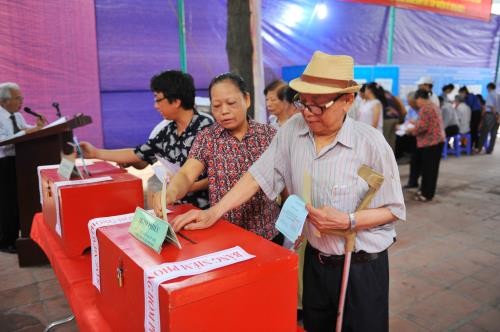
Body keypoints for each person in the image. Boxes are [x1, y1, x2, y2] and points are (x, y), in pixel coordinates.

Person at [168, 52, 406, 331]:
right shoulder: (293, 130)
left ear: (347, 100)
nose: (307, 112)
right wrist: (215, 211)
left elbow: (393, 210)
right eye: (302, 102)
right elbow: (258, 174)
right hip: (315, 262)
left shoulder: (371, 145)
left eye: (318, 105)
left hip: (360, 266)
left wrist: (348, 221)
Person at [155, 72, 282, 243]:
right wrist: (170, 193)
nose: (224, 111)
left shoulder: (269, 135)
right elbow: (186, 174)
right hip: (224, 231)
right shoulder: (208, 137)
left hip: (267, 234)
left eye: (231, 103)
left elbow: (285, 183)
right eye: (216, 105)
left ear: (247, 99)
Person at [80, 70, 213, 209]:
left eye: (158, 99)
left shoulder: (205, 127)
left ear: (176, 101)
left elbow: (219, 172)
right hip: (176, 206)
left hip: (205, 209)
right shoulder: (167, 131)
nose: (155, 106)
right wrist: (95, 153)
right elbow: (137, 153)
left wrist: (187, 187)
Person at [0, 82, 47, 253]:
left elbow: (26, 130)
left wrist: (39, 128)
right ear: (3, 101)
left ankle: (19, 236)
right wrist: (27, 132)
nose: (21, 101)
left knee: (19, 201)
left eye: (21, 97)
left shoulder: (17, 115)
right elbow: (3, 141)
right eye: (17, 98)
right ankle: (6, 241)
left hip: (20, 162)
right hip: (3, 164)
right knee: (7, 203)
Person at [407, 89, 445, 202]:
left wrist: (410, 131)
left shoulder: (426, 108)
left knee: (429, 170)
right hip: (436, 141)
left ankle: (426, 194)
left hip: (431, 142)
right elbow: (426, 122)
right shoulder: (432, 105)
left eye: (416, 101)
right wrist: (415, 123)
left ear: (420, 98)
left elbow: (422, 127)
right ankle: (425, 190)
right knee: (430, 169)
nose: (416, 103)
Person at [478, 83, 499, 154]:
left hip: (491, 115)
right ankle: (490, 150)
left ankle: (479, 148)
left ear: (489, 88)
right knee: (493, 134)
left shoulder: (490, 94)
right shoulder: (497, 94)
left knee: (484, 132)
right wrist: (498, 116)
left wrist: (495, 115)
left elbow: (491, 106)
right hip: (498, 115)